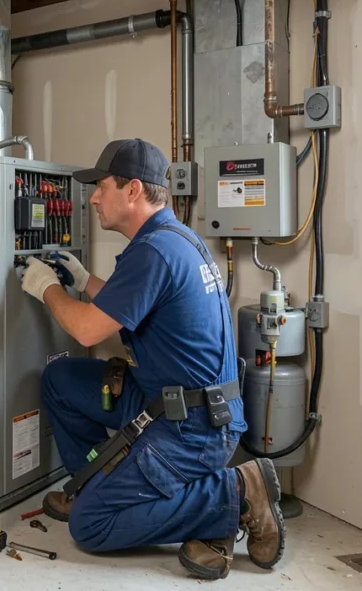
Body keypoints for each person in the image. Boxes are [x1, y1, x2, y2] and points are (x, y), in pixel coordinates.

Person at [19, 138, 285, 580]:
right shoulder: (174, 238)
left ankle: (233, 492)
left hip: (192, 430)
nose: (94, 197)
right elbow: (131, 305)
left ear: (134, 190)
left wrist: (46, 287)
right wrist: (85, 282)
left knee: (90, 525)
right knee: (61, 378)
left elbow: (86, 328)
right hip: (173, 402)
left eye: (101, 186)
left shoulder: (153, 251)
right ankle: (92, 482)